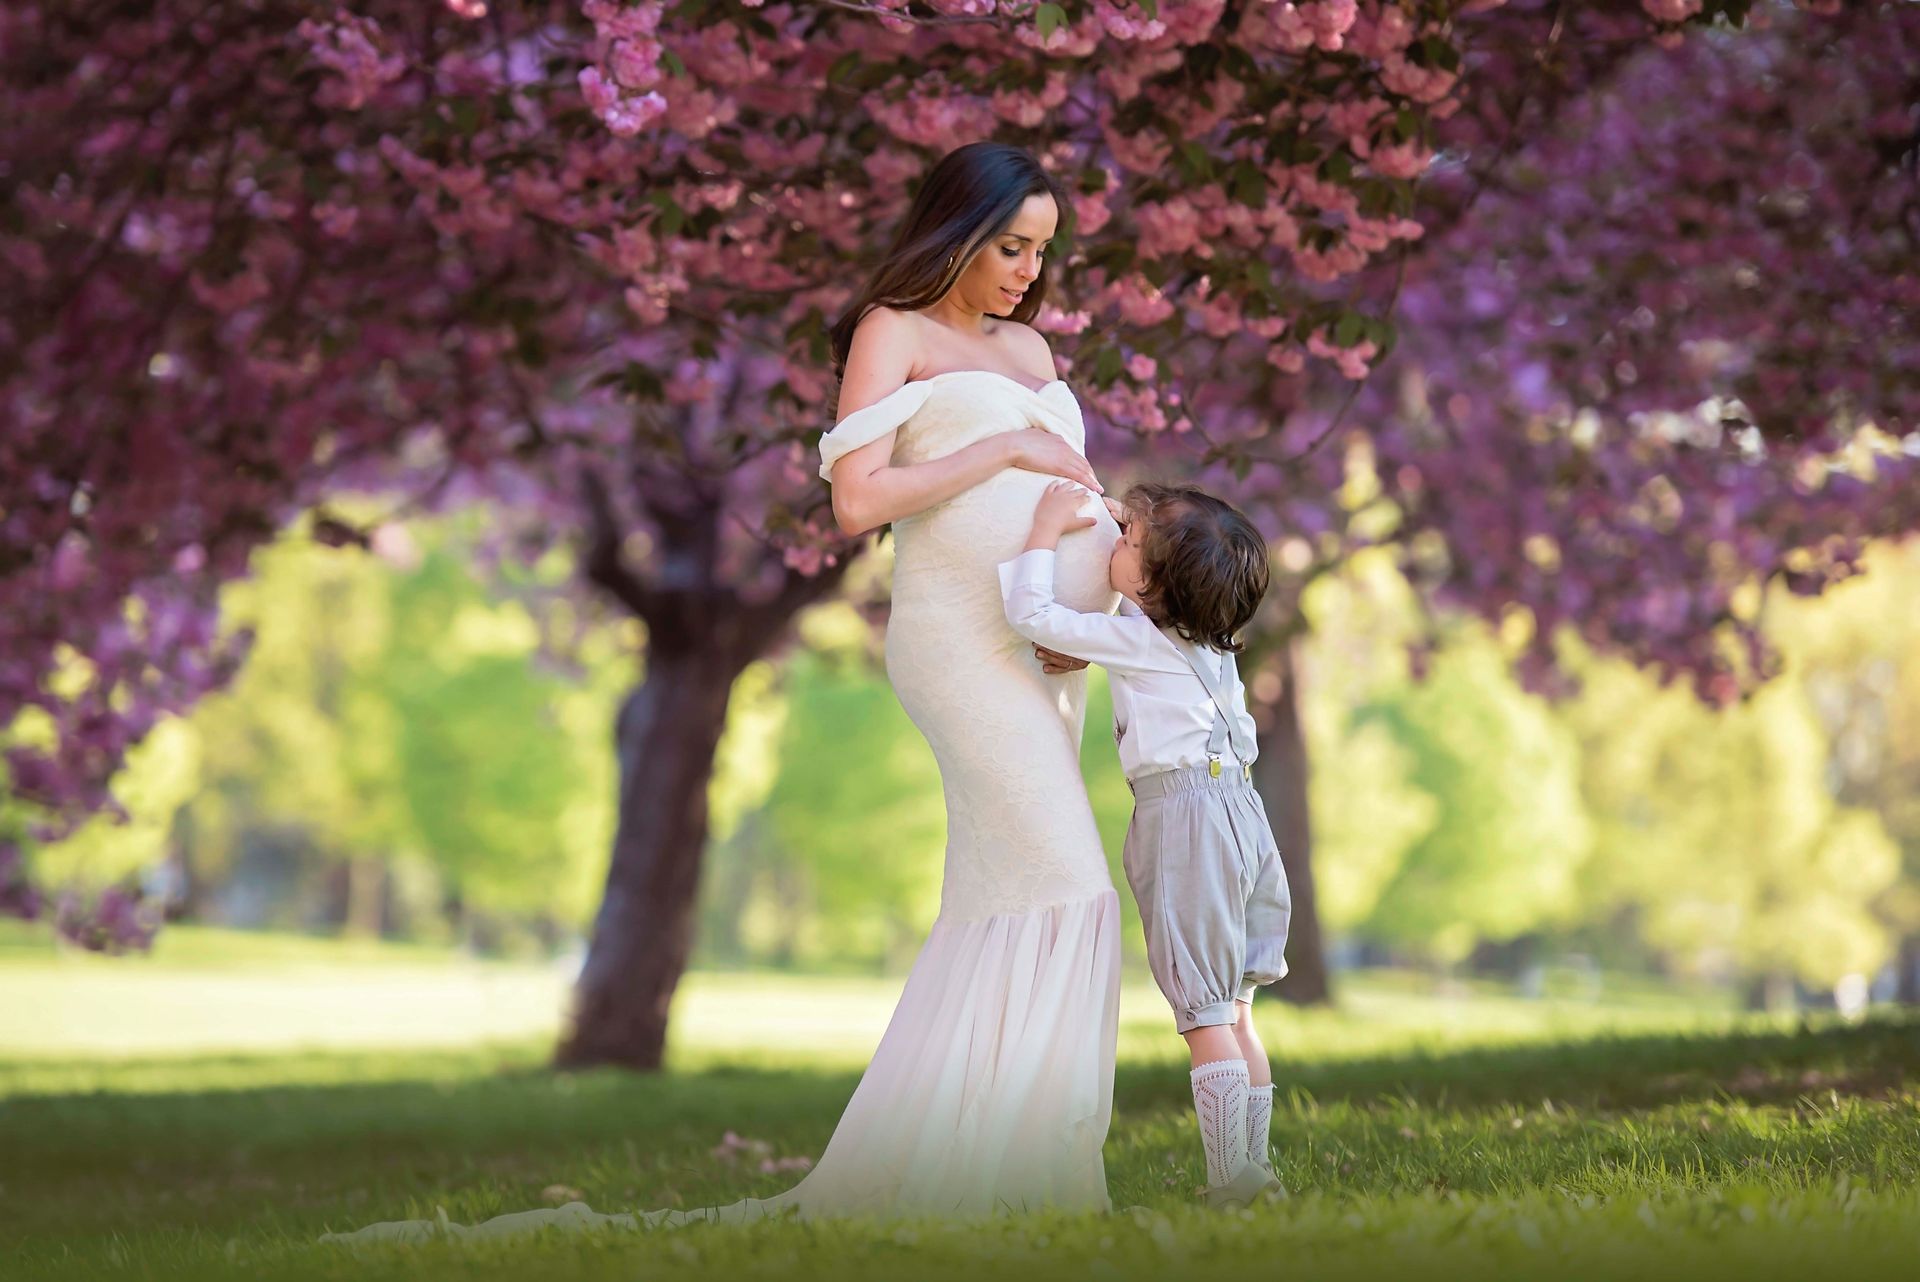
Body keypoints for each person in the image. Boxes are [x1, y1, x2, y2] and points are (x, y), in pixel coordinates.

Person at [322, 141, 1127, 1245]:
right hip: (958, 641)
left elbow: (1063, 477)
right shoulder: (892, 331)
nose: (1031, 270)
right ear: (956, 229)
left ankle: (996, 1167)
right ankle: (1032, 1163)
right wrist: (1000, 451)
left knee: (1005, 892)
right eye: (1010, 245)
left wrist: (1088, 593)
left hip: (1042, 639)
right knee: (1068, 882)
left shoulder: (1032, 344)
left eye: (1042, 249)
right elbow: (859, 499)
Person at [998, 479, 1293, 1211]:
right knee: (1236, 1007)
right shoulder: (1209, 646)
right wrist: (1092, 649)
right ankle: (1255, 1174)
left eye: (1130, 544)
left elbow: (1030, 611)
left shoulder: (1137, 637)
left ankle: (1232, 1183)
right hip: (1243, 815)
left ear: (1159, 588)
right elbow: (1154, 663)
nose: (1117, 542)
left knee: (1202, 1013)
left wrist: (1043, 529)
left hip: (1187, 820)